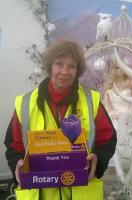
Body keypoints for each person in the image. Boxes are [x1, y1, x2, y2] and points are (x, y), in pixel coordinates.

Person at [4, 40, 117, 200]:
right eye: (59, 64)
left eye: (72, 66)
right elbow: (13, 145)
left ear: (78, 70)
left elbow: (108, 140)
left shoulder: (92, 101)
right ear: (50, 66)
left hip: (82, 193)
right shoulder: (25, 103)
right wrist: (17, 163)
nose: (65, 71)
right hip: (39, 193)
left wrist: (97, 162)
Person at [103, 59, 132, 182]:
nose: (120, 70)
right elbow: (107, 106)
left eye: (122, 67)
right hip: (115, 118)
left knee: (131, 143)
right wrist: (111, 112)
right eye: (117, 67)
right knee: (115, 141)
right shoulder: (109, 86)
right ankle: (118, 173)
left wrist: (129, 113)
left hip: (129, 117)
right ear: (113, 69)